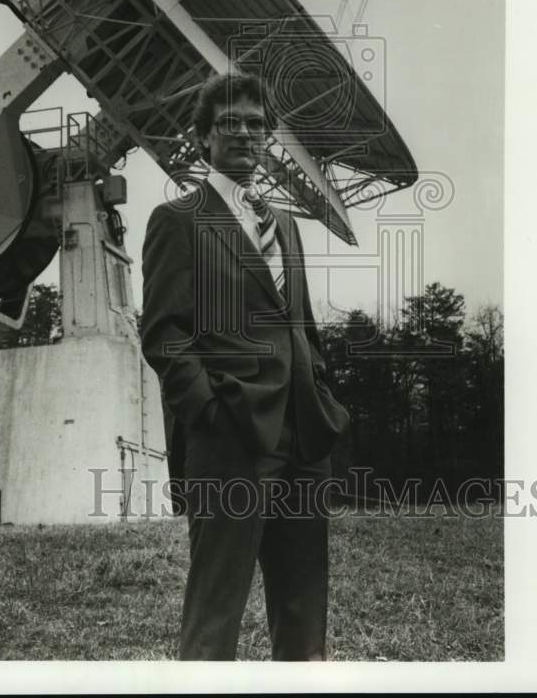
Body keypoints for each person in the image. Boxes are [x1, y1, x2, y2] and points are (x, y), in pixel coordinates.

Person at [140, 71, 350, 661]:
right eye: (229, 123)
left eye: (256, 125)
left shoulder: (285, 224)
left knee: (304, 617)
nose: (245, 134)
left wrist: (322, 396)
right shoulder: (178, 220)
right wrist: (208, 409)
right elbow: (163, 335)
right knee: (215, 618)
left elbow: (301, 324)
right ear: (204, 137)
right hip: (230, 436)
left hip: (305, 434)